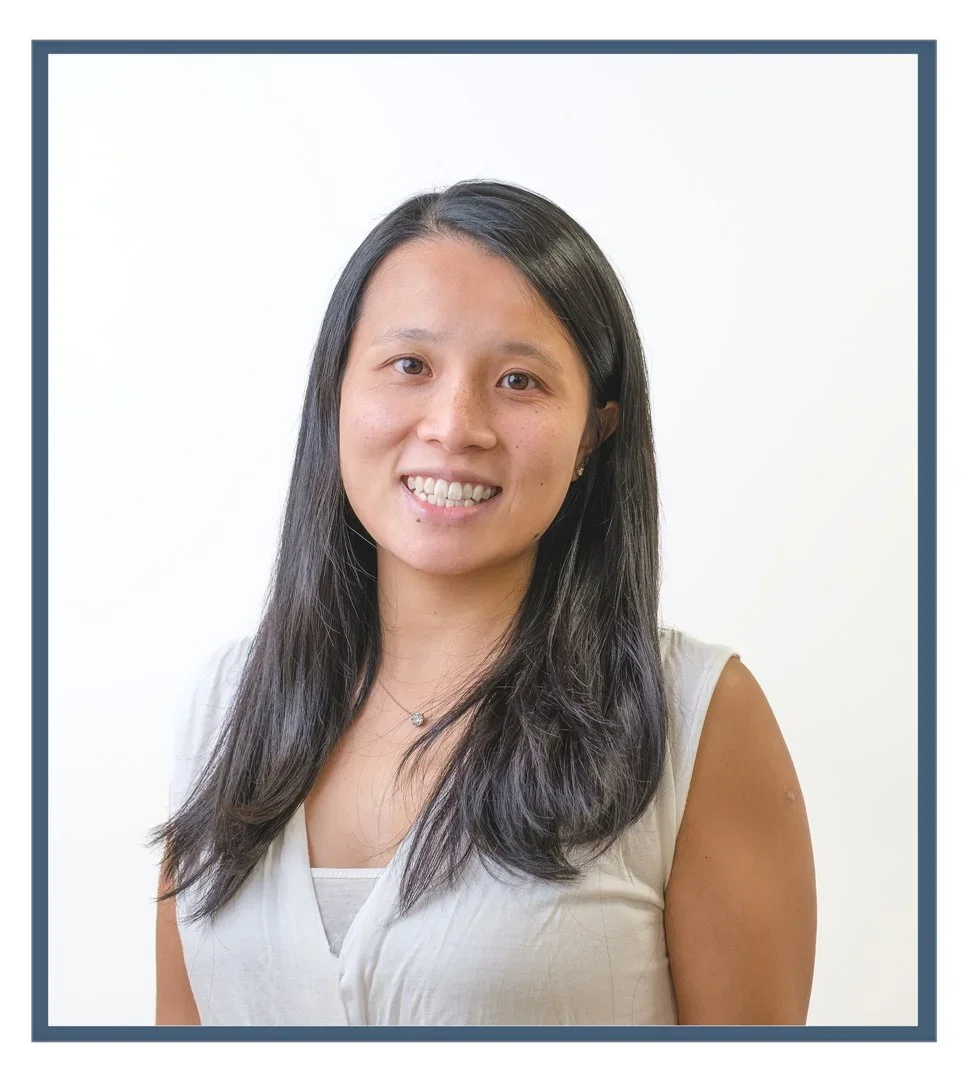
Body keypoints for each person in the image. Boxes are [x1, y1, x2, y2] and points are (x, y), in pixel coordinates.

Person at [150, 179, 816, 1026]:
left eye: (518, 380)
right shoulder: (223, 708)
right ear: (336, 394)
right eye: (410, 366)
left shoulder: (694, 715)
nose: (455, 423)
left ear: (593, 436)